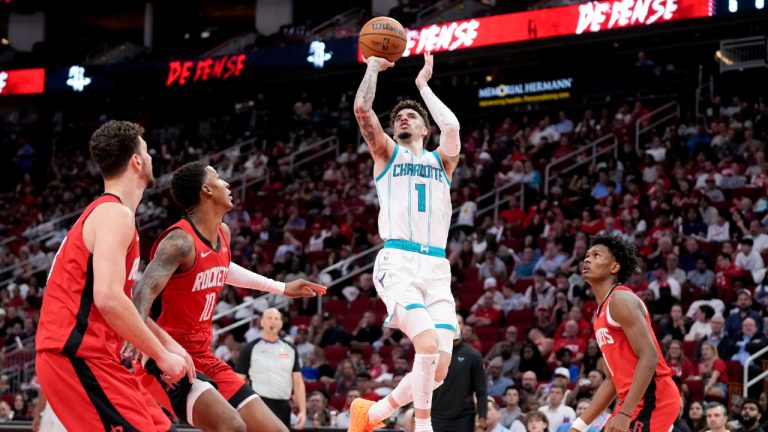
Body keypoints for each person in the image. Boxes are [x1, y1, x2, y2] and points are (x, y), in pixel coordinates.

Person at [130, 161, 326, 432]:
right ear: (206, 190)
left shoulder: (223, 234)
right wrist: (142, 343)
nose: (227, 184)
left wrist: (281, 287)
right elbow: (141, 292)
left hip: (203, 355)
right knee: (232, 426)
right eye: (219, 179)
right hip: (168, 355)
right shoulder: (179, 241)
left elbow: (221, 267)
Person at [35, 121, 192, 431]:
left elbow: (121, 302)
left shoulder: (111, 215)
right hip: (75, 357)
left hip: (97, 359)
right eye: (146, 152)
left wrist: (168, 343)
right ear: (136, 161)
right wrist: (160, 354)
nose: (150, 157)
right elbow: (107, 298)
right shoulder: (114, 214)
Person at [349, 51, 462, 432]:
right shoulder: (387, 153)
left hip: (436, 267)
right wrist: (372, 68)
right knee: (427, 346)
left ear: (424, 129)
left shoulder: (441, 162)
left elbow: (453, 127)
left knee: (440, 369)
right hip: (398, 261)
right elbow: (363, 111)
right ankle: (423, 425)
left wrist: (422, 86)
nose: (402, 117)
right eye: (399, 116)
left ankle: (373, 415)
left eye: (411, 116)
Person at [569, 234, 679, 432]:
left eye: (596, 255)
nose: (587, 259)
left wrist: (625, 414)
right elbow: (612, 380)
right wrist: (578, 426)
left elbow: (650, 356)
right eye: (587, 255)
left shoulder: (620, 299)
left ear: (614, 267)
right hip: (630, 400)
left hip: (653, 397)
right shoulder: (600, 313)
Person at [235, 308, 307, 430]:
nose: (273, 321)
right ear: (262, 322)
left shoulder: (290, 349)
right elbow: (238, 380)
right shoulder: (250, 348)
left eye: (276, 319)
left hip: (284, 406)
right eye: (269, 318)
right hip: (259, 405)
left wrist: (303, 411)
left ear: (281, 324)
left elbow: (298, 383)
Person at [431, 315, 488, 432]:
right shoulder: (433, 353)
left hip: (463, 419)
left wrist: (482, 422)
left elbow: (481, 391)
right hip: (436, 417)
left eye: (459, 322)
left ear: (463, 327)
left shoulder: (473, 355)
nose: (455, 325)